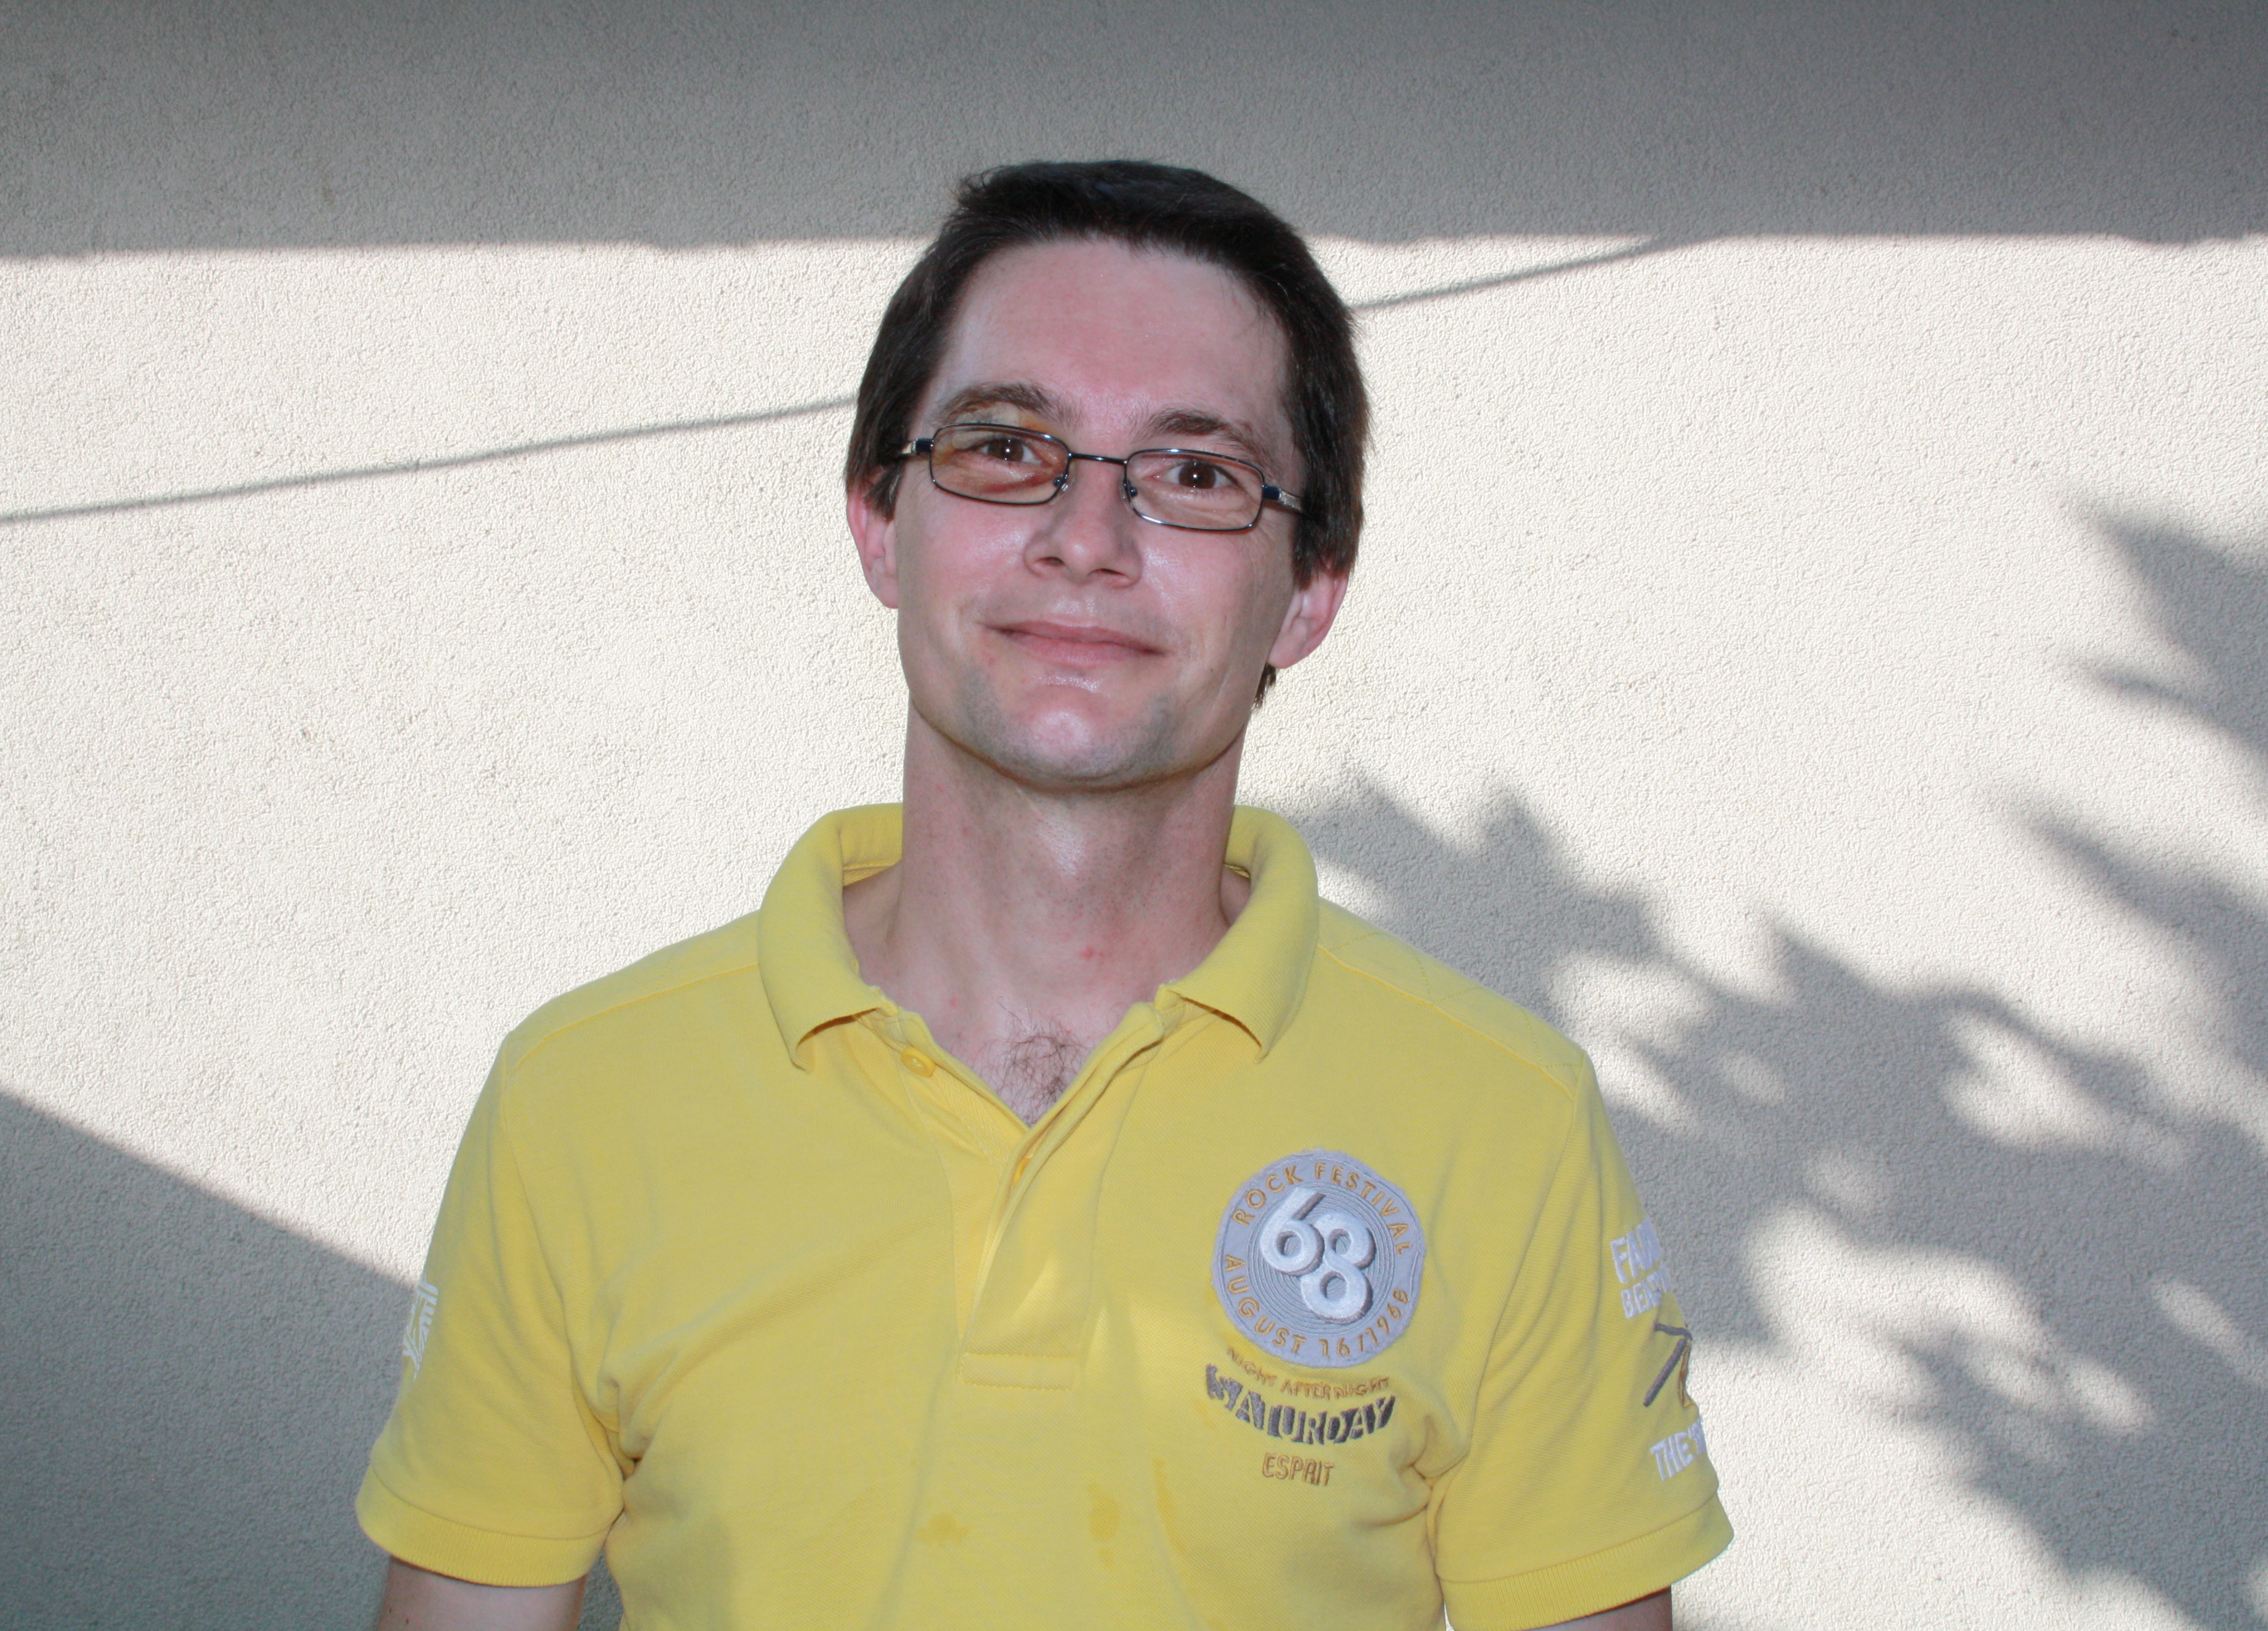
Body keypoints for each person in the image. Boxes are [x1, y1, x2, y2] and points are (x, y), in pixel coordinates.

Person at [357, 160, 1729, 1631]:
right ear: (879, 520)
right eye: (1008, 448)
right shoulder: (583, 1099)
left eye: (1194, 475)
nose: (1087, 537)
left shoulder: (1506, 1124)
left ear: (1310, 589)